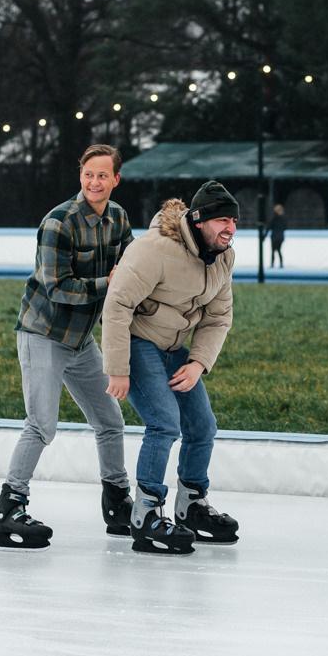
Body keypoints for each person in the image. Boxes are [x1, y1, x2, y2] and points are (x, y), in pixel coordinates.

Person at [0, 143, 134, 550]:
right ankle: (8, 509)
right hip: (44, 334)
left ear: (116, 179)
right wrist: (112, 282)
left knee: (110, 420)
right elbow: (58, 288)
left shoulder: (119, 218)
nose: (94, 182)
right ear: (80, 175)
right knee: (41, 424)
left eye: (103, 175)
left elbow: (134, 269)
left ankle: (118, 502)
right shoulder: (59, 222)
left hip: (81, 339)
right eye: (88, 174)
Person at [102, 180, 240, 556]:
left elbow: (218, 317)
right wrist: (118, 367)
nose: (230, 228)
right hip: (138, 342)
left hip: (175, 347)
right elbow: (116, 305)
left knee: (202, 425)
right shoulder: (155, 250)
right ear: (198, 220)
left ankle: (191, 505)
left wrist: (198, 363)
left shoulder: (224, 256)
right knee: (165, 422)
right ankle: (145, 514)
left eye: (234, 220)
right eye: (222, 220)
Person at [268, 203, 286, 267]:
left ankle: (272, 264)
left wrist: (264, 236)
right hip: (280, 237)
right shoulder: (283, 218)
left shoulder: (274, 218)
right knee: (278, 250)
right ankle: (281, 264)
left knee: (273, 251)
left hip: (274, 237)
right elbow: (285, 227)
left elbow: (270, 226)